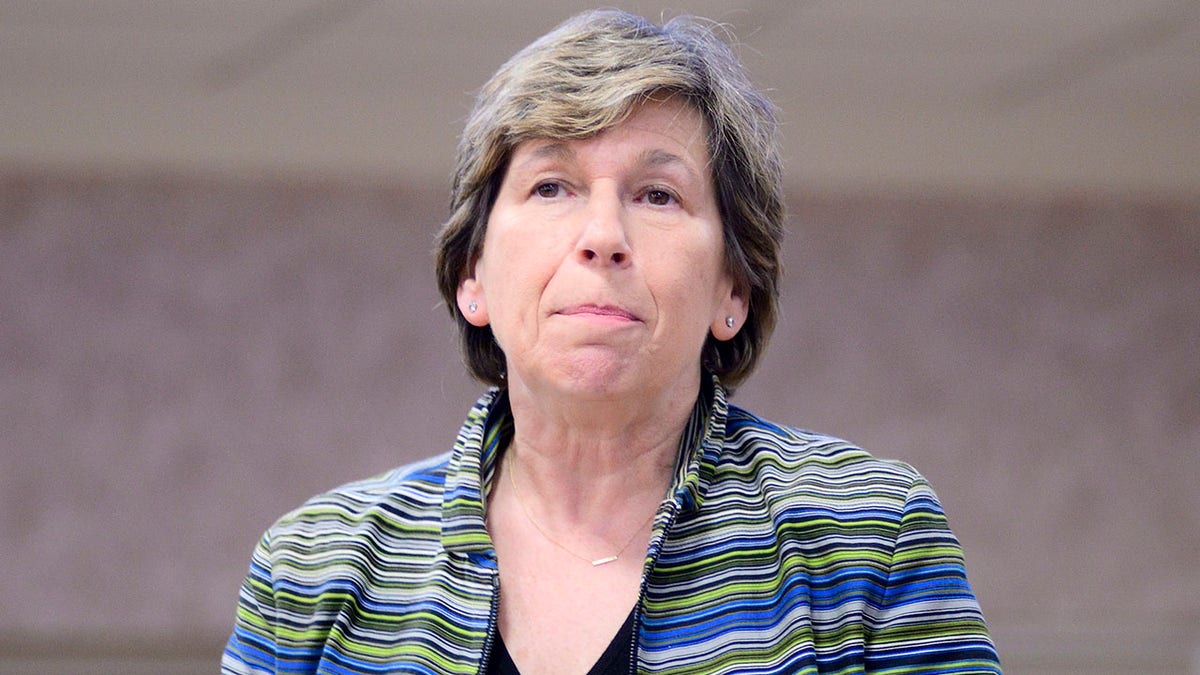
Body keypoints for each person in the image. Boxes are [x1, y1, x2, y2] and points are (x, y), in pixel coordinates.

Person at [222, 9, 1000, 675]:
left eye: (657, 193)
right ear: (473, 275)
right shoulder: (317, 567)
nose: (602, 236)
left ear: (733, 289)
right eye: (551, 186)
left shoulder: (866, 533)